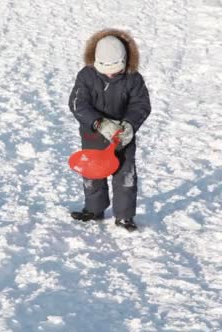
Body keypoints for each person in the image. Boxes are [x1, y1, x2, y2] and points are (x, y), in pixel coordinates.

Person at [68, 28, 151, 231]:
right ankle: (94, 209)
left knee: (126, 176)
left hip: (122, 138)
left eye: (116, 68)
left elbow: (141, 105)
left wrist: (129, 125)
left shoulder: (133, 78)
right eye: (106, 69)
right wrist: (99, 123)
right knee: (93, 174)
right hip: (93, 135)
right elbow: (78, 103)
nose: (111, 73)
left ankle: (124, 216)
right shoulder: (86, 76)